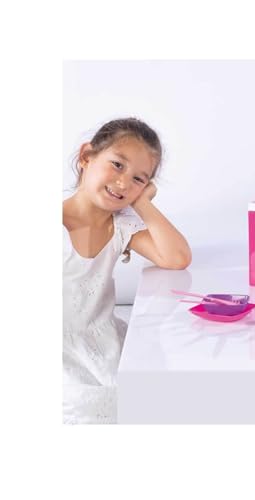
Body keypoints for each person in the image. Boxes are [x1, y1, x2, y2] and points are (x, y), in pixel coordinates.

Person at [63, 117, 191, 424]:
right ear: (86, 156)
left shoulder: (121, 227)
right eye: (117, 165)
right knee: (83, 407)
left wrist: (143, 204)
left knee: (146, 398)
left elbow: (177, 257)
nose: (123, 183)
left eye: (139, 179)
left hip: (102, 342)